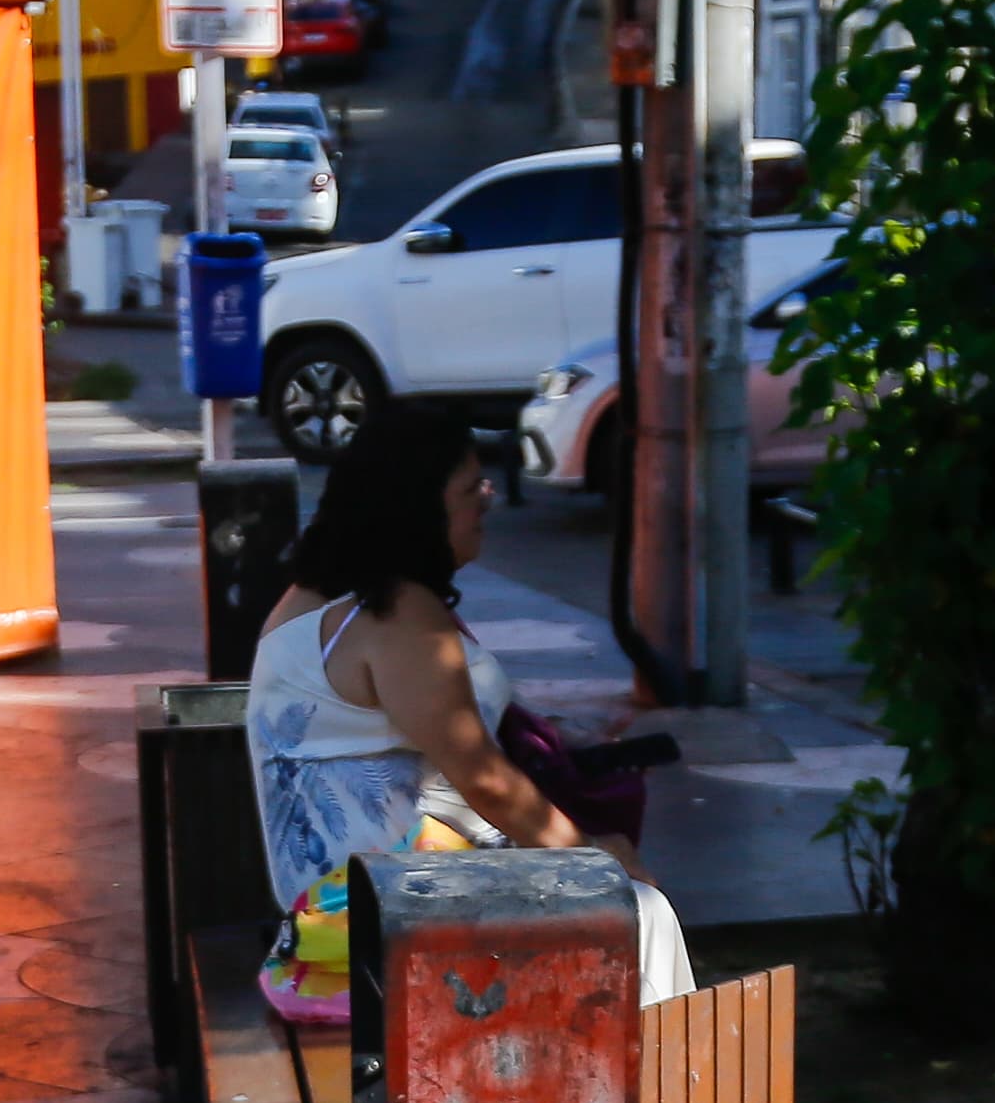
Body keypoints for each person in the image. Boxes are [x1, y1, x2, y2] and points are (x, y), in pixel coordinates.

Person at [244, 404, 694, 1017]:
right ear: (416, 507)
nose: (487, 497)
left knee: (624, 893)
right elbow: (482, 776)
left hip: (353, 890)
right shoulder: (395, 611)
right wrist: (592, 854)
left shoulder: (329, 595)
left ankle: (648, 1085)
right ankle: (652, 1093)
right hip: (376, 903)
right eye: (468, 487)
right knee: (638, 908)